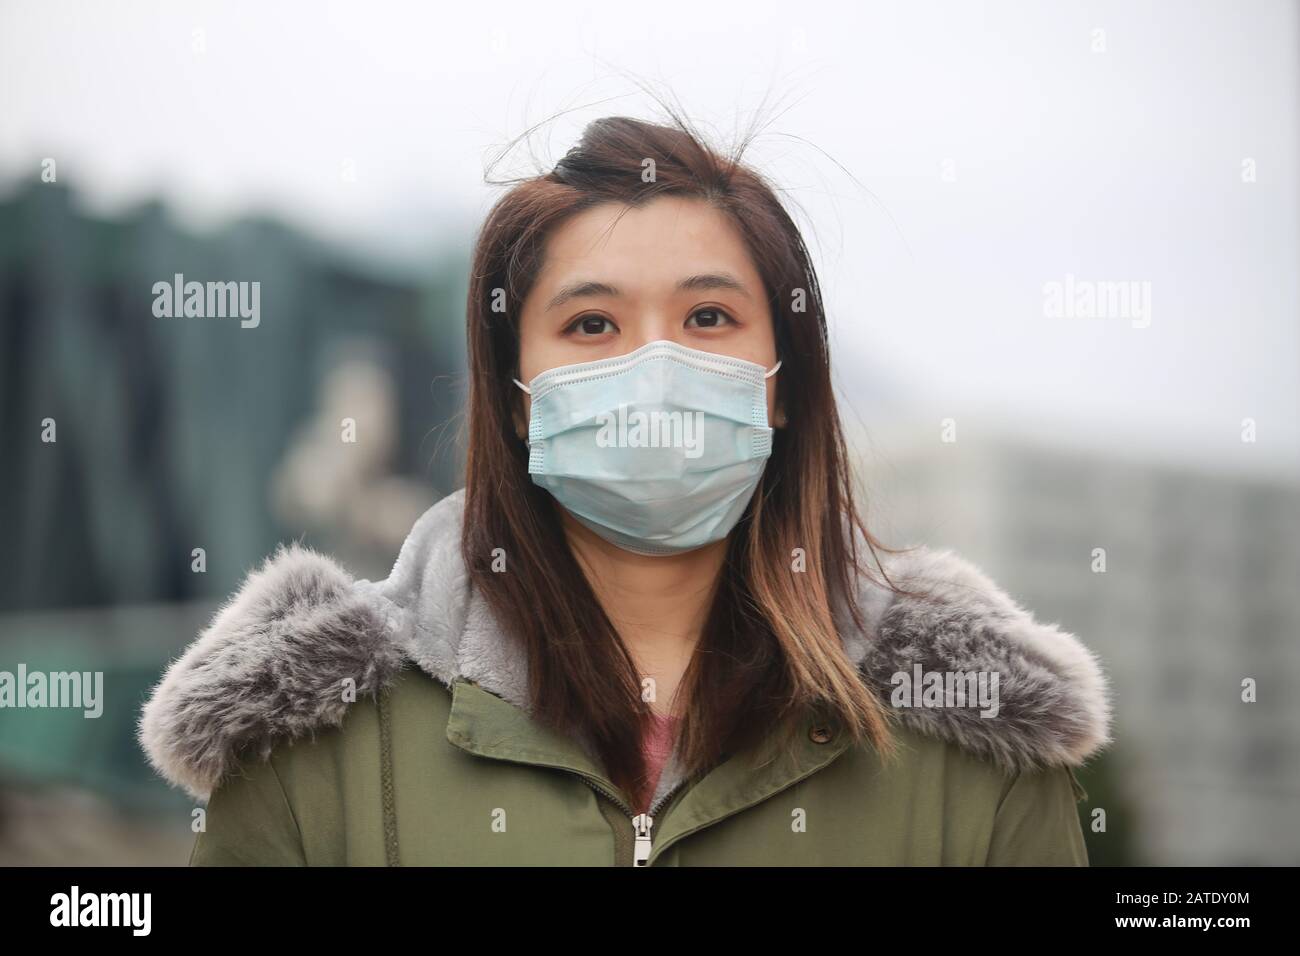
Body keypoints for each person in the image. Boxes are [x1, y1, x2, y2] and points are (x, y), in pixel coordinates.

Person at [137, 112, 1112, 866]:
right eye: (593, 325)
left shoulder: (974, 741)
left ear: (783, 382)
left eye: (708, 315)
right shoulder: (314, 733)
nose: (655, 369)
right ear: (517, 397)